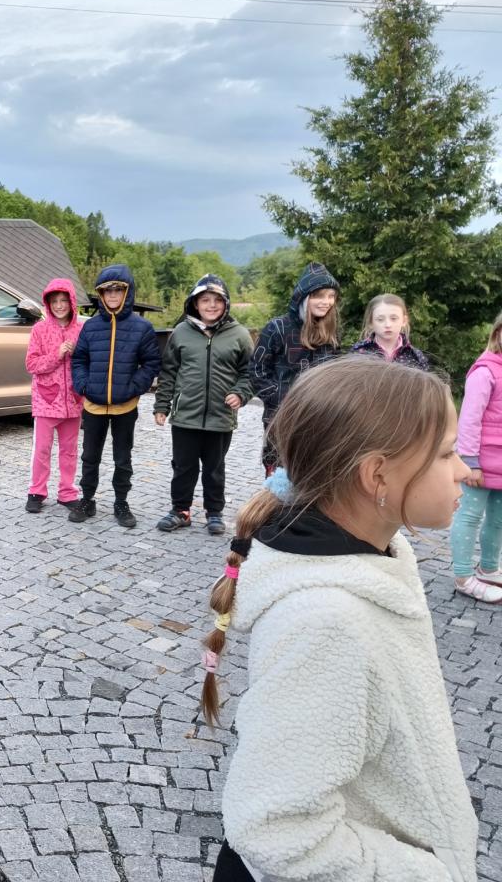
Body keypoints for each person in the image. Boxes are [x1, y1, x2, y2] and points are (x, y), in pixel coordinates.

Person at [199, 356, 478, 882]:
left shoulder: (383, 557)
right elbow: (276, 830)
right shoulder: (327, 621)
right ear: (377, 475)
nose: (464, 469)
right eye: (446, 453)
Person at [153, 275, 253, 536]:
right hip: (185, 415)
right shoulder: (181, 332)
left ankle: (214, 512)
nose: (211, 305)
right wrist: (162, 405)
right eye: (205, 300)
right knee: (183, 466)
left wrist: (241, 393)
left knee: (214, 468)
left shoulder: (240, 335)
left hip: (221, 417)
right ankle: (180, 510)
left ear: (226, 304)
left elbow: (250, 373)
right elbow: (169, 372)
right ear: (195, 304)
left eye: (217, 300)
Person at [68, 265, 161, 529]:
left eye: (117, 290)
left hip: (125, 406)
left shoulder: (142, 327)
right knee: (90, 456)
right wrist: (83, 385)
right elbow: (79, 359)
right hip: (93, 405)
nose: (112, 295)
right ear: (101, 294)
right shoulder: (90, 327)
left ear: (127, 292)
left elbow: (152, 363)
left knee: (123, 458)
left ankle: (121, 502)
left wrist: (134, 387)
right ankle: (87, 499)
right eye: (107, 290)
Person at [249, 262, 340, 474]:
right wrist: (285, 400)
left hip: (318, 419)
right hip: (280, 420)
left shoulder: (331, 332)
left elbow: (334, 375)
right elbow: (256, 371)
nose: (326, 302)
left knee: (312, 477)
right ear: (304, 297)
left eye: (331, 296)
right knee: (279, 480)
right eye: (319, 296)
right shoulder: (277, 328)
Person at [449, 310, 502, 604]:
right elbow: (469, 419)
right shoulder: (485, 372)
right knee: (469, 516)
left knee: (498, 520)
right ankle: (463, 575)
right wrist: (470, 462)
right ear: (498, 333)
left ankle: (489, 568)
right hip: (480, 464)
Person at [24, 278, 84, 513]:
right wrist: (57, 355)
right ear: (48, 304)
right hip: (46, 400)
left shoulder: (80, 329)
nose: (59, 305)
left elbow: (86, 361)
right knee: (42, 449)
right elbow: (32, 364)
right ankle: (36, 491)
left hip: (72, 401)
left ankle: (67, 492)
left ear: (72, 302)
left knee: (69, 451)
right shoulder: (39, 329)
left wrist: (76, 353)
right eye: (54, 301)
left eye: (63, 300)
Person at [350, 293, 430, 369]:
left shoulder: (416, 357)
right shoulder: (359, 353)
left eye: (394, 318)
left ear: (404, 321)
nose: (388, 325)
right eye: (380, 319)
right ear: (371, 322)